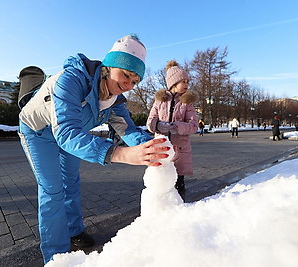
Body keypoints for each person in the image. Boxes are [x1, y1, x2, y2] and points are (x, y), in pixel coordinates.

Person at [18, 34, 170, 264]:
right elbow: (67, 133)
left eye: (135, 81)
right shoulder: (72, 80)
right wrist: (119, 154)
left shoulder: (116, 101)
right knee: (53, 189)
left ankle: (74, 231)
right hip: (39, 132)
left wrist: (152, 147)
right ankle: (56, 257)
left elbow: (127, 129)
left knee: (71, 181)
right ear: (110, 66)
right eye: (126, 75)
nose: (128, 85)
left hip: (70, 133)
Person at [146, 60, 198, 201]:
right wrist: (158, 126)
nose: (187, 84)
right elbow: (150, 121)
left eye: (188, 81)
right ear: (174, 83)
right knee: (161, 181)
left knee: (178, 183)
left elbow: (194, 126)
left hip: (180, 148)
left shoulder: (187, 102)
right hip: (162, 146)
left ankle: (179, 211)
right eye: (184, 81)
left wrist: (177, 126)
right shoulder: (159, 100)